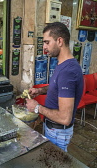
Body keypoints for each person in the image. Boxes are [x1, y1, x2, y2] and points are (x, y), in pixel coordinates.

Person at [26, 22, 83, 152]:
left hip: (58, 132)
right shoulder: (63, 64)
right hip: (52, 127)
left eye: (47, 42)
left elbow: (65, 118)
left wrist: (36, 107)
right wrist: (40, 90)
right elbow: (56, 86)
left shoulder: (68, 71)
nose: (44, 47)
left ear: (59, 41)